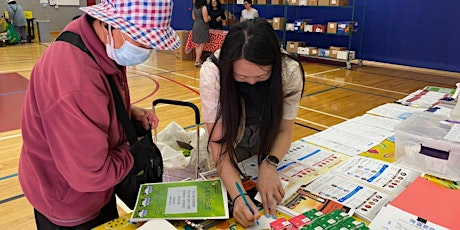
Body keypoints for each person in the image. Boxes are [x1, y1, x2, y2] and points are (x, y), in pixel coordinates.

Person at [18, 0, 180, 229]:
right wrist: (133, 153)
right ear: (108, 25)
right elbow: (90, 173)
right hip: (70, 201)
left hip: (94, 191)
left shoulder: (93, 40)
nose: (147, 49)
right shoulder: (76, 80)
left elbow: (93, 102)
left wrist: (124, 113)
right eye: (143, 40)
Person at [200, 17, 305, 227]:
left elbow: (284, 131)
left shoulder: (290, 70)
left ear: (273, 66)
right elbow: (218, 144)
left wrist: (269, 163)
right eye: (241, 77)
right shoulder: (213, 72)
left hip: (266, 141)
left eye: (261, 76)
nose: (251, 83)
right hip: (229, 141)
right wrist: (238, 197)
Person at [192, 0, 210, 67]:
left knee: (197, 45)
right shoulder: (204, 7)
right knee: (201, 44)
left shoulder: (194, 7)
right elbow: (205, 19)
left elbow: (193, 17)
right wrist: (209, 18)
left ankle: (197, 60)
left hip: (195, 25)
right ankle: (197, 61)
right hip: (202, 26)